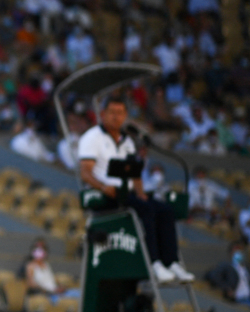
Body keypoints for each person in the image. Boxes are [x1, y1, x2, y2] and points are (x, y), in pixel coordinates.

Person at [78, 97, 193, 284]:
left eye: (120, 113)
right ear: (102, 114)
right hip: (107, 193)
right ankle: (154, 262)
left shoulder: (127, 141)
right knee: (145, 210)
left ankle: (172, 262)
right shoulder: (92, 138)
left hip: (128, 192)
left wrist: (141, 193)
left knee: (164, 210)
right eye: (112, 113)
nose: (116, 117)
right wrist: (104, 187)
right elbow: (85, 172)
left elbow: (134, 173)